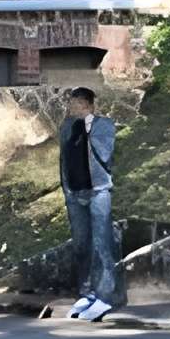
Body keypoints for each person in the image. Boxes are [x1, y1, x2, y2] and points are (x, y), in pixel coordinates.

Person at [59, 87, 118, 320]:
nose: (72, 109)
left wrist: (87, 126)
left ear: (88, 105)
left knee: (101, 244)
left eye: (77, 104)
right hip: (74, 192)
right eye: (71, 104)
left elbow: (105, 155)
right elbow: (63, 159)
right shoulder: (67, 127)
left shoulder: (104, 125)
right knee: (81, 244)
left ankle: (104, 296)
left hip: (98, 191)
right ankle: (86, 292)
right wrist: (66, 189)